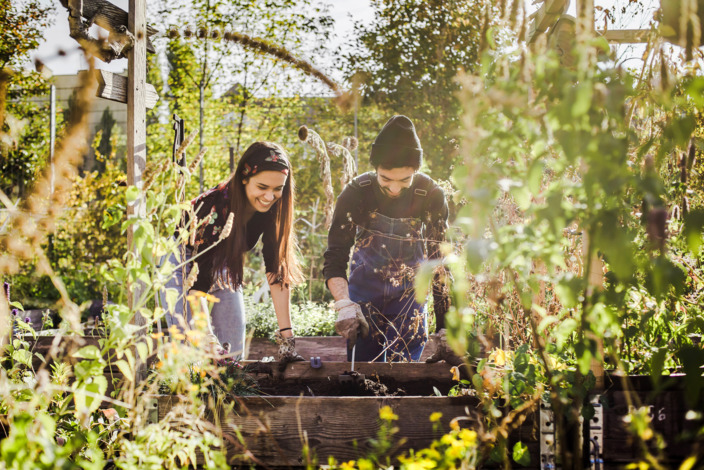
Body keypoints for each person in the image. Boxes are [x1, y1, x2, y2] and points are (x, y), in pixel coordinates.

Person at [323, 115, 453, 363]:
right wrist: (344, 304)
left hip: (410, 299)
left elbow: (439, 262)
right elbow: (335, 255)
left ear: (417, 169)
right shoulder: (356, 193)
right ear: (375, 169)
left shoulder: (430, 194)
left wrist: (446, 325)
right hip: (363, 297)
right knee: (360, 371)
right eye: (385, 179)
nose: (394, 189)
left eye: (405, 180)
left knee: (403, 375)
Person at [160, 141, 304, 362]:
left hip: (223, 262)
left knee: (233, 351)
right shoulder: (214, 209)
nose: (269, 197)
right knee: (193, 349)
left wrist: (288, 341)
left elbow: (276, 272)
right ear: (244, 179)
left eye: (278, 189)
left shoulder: (273, 207)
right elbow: (196, 286)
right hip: (183, 262)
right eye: (262, 187)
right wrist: (206, 339)